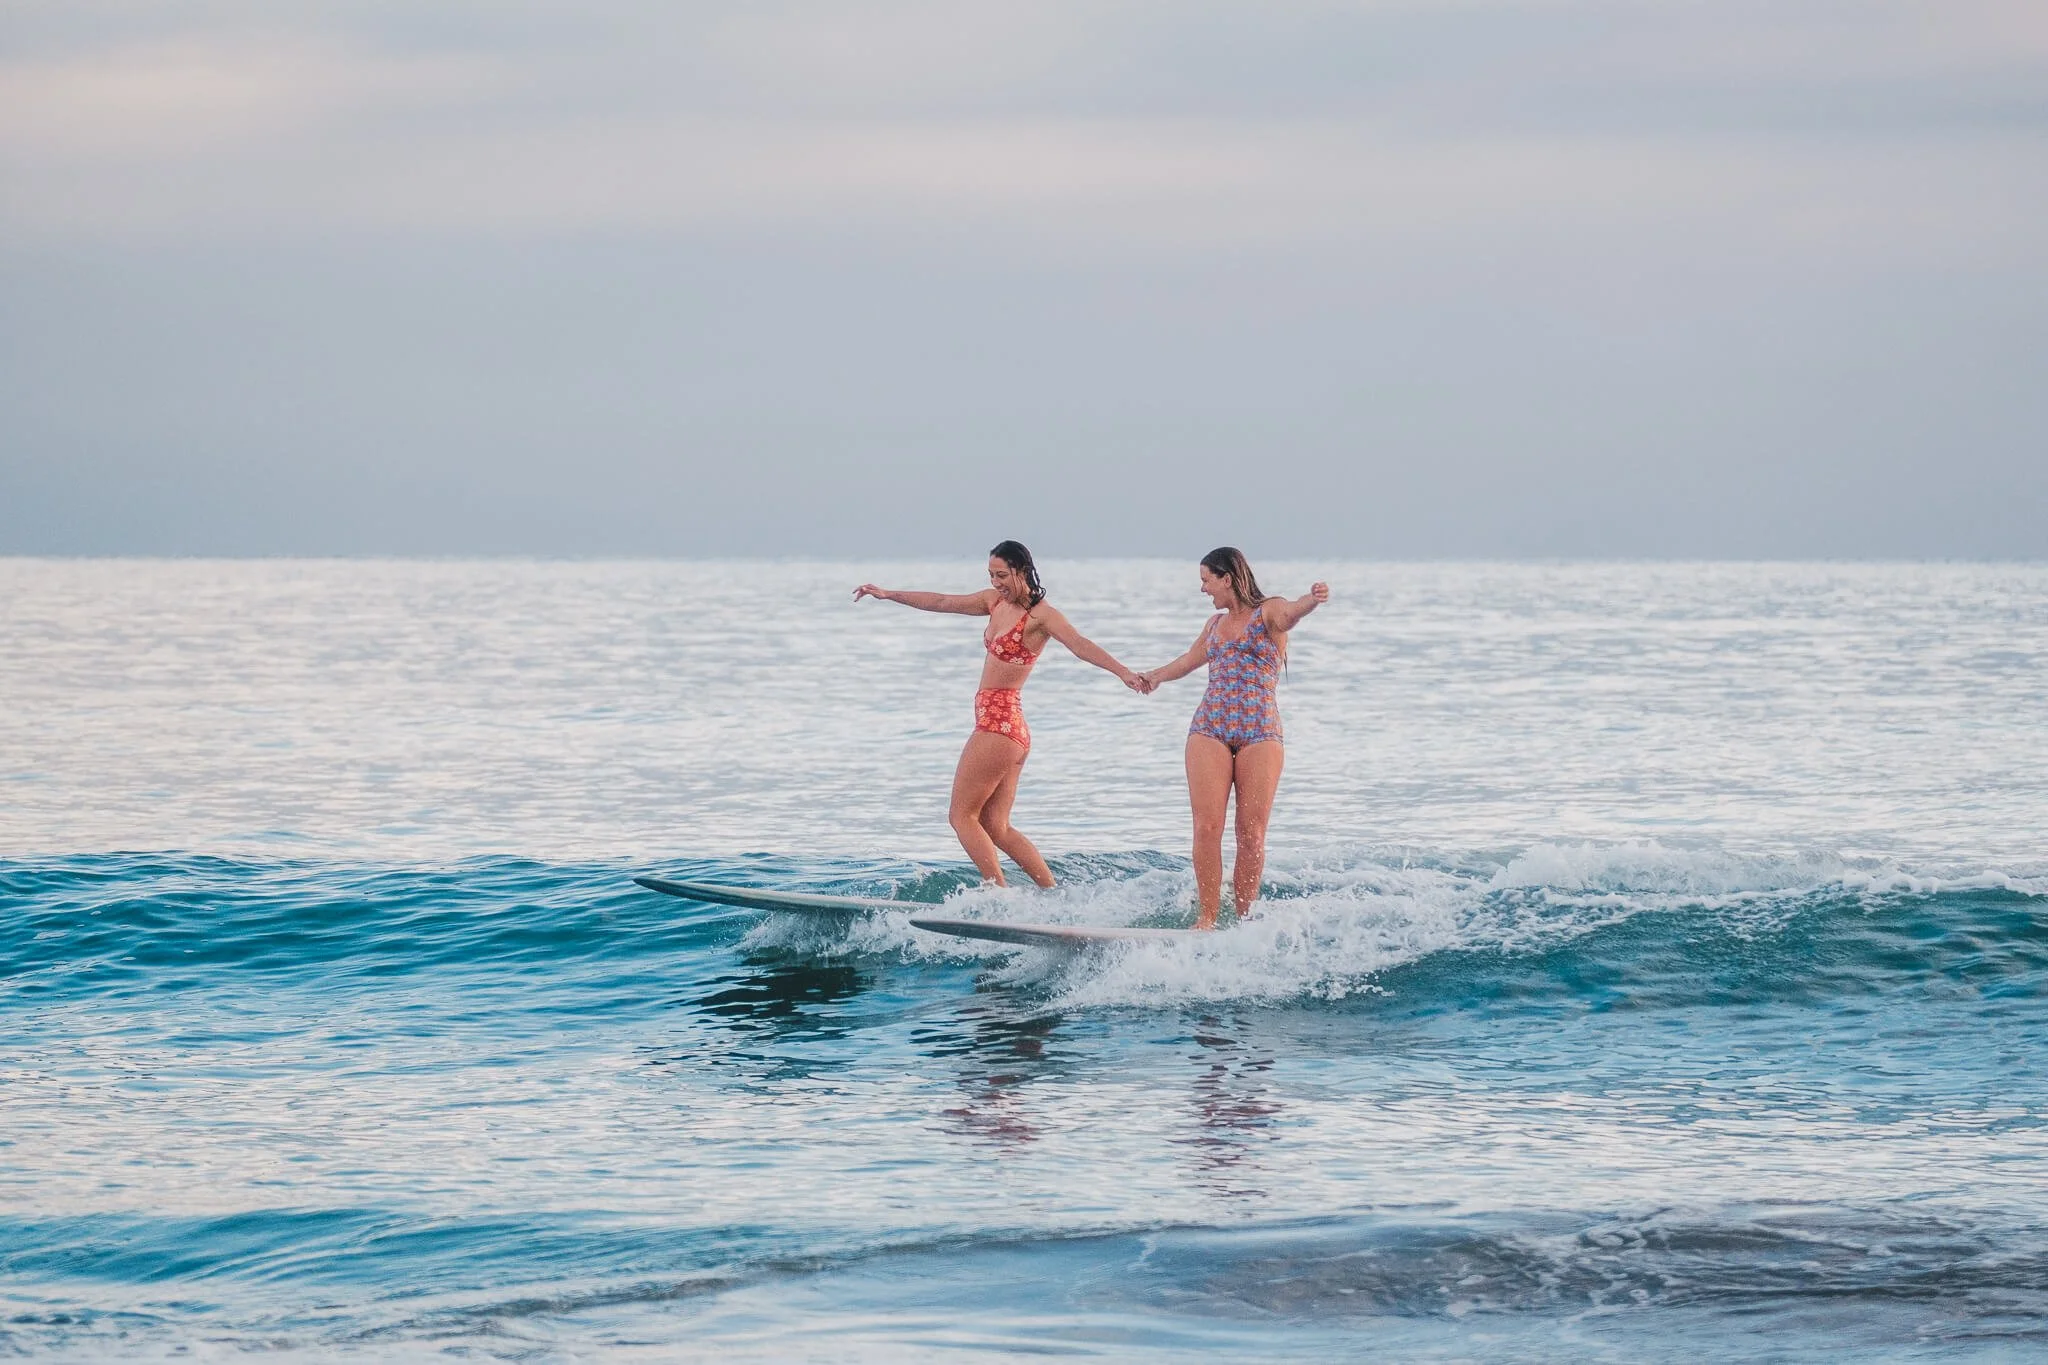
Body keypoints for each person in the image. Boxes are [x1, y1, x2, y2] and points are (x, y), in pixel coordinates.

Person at [854, 541, 1142, 887]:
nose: (996, 582)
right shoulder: (994, 603)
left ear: (1022, 570)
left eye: (1002, 575)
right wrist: (888, 594)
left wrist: (1123, 672)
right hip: (1009, 729)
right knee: (996, 826)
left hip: (999, 725)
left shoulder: (1041, 616)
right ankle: (1053, 895)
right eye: (991, 575)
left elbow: (1080, 644)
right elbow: (943, 602)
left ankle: (998, 895)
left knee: (961, 816)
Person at [1137, 548, 1328, 929]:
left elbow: (1290, 614)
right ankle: (1206, 917)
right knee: (1207, 826)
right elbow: (1189, 660)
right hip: (1210, 728)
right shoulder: (1213, 625)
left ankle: (1243, 919)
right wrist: (1155, 675)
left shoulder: (1268, 611)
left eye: (1207, 580)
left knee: (1251, 832)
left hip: (1260, 732)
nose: (1204, 588)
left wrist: (1311, 600)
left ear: (1228, 578)